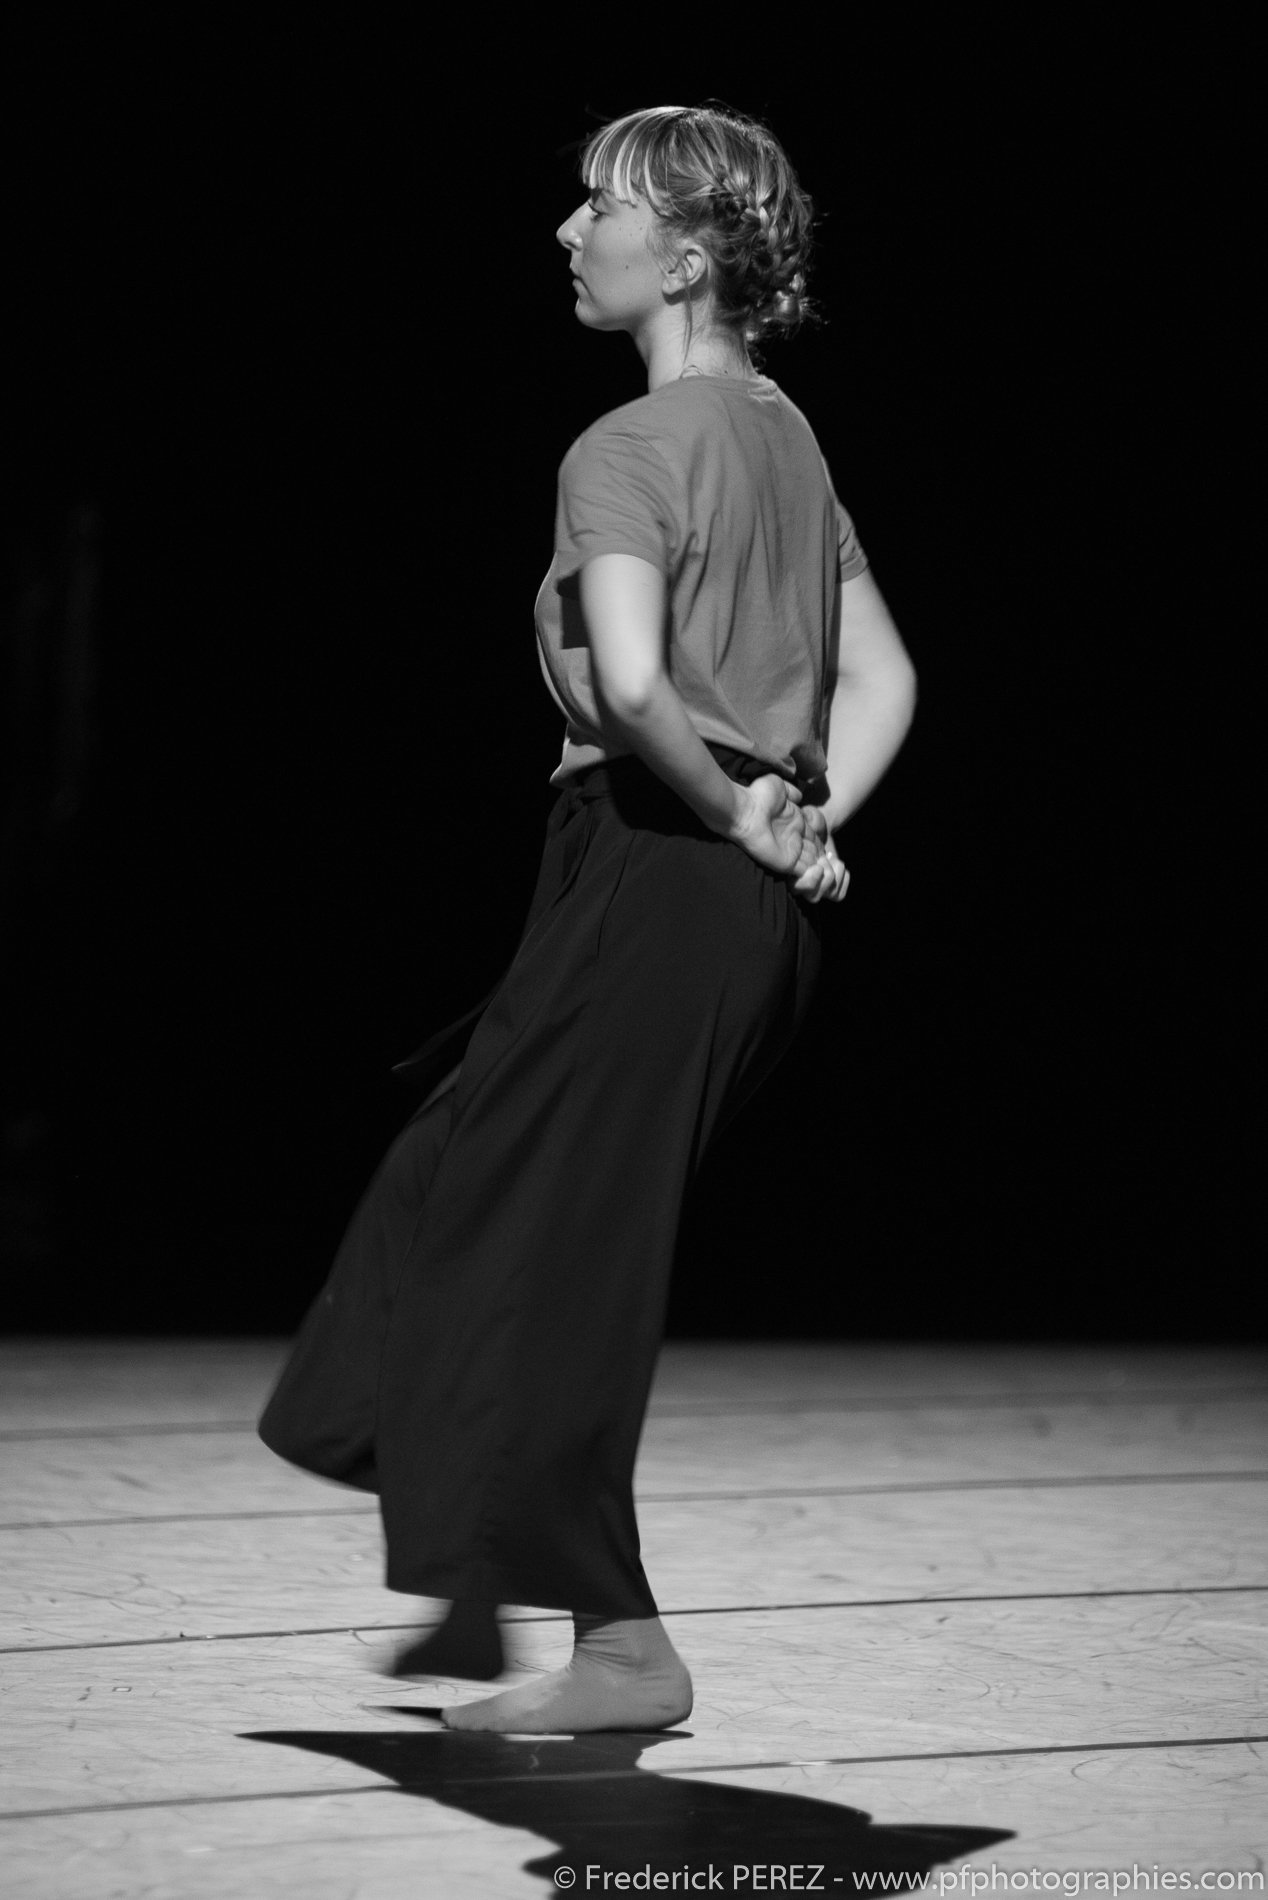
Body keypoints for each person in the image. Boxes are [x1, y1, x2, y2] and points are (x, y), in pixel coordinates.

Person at [258, 103, 916, 1734]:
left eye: (599, 206)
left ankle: (615, 1647)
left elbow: (630, 686)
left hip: (658, 866)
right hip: (713, 897)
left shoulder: (629, 447)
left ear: (681, 258)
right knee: (459, 1191)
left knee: (539, 1250)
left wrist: (744, 811)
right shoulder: (786, 440)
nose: (568, 230)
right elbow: (888, 674)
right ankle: (487, 1580)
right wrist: (804, 816)